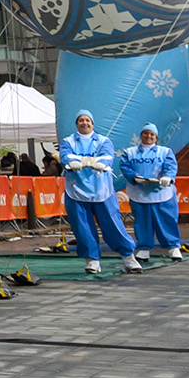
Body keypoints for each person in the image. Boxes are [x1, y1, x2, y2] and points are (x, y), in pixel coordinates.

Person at [61, 110, 140, 275]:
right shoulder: (68, 141)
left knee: (112, 223)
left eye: (87, 120)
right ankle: (92, 260)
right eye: (81, 120)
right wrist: (80, 162)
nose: (84, 123)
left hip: (102, 189)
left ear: (92, 123)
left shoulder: (104, 141)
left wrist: (84, 161)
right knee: (82, 227)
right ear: (77, 124)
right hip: (76, 190)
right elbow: (65, 157)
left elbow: (107, 158)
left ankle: (128, 257)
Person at [118, 123, 181, 263]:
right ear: (141, 135)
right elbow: (125, 167)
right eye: (146, 133)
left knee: (167, 220)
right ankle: (144, 248)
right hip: (139, 193)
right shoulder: (130, 152)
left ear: (156, 137)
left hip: (162, 193)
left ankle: (173, 247)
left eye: (152, 134)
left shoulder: (165, 151)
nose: (148, 136)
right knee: (142, 221)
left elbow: (171, 166)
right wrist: (135, 177)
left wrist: (168, 177)